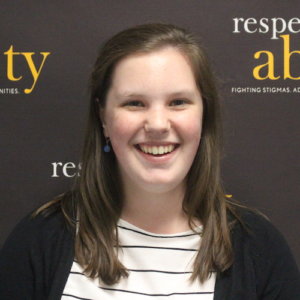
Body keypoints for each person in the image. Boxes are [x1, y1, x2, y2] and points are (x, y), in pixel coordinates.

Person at [0, 23, 299, 300]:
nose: (157, 123)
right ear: (104, 117)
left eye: (178, 102)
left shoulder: (259, 247)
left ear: (203, 114)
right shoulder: (40, 239)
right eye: (134, 103)